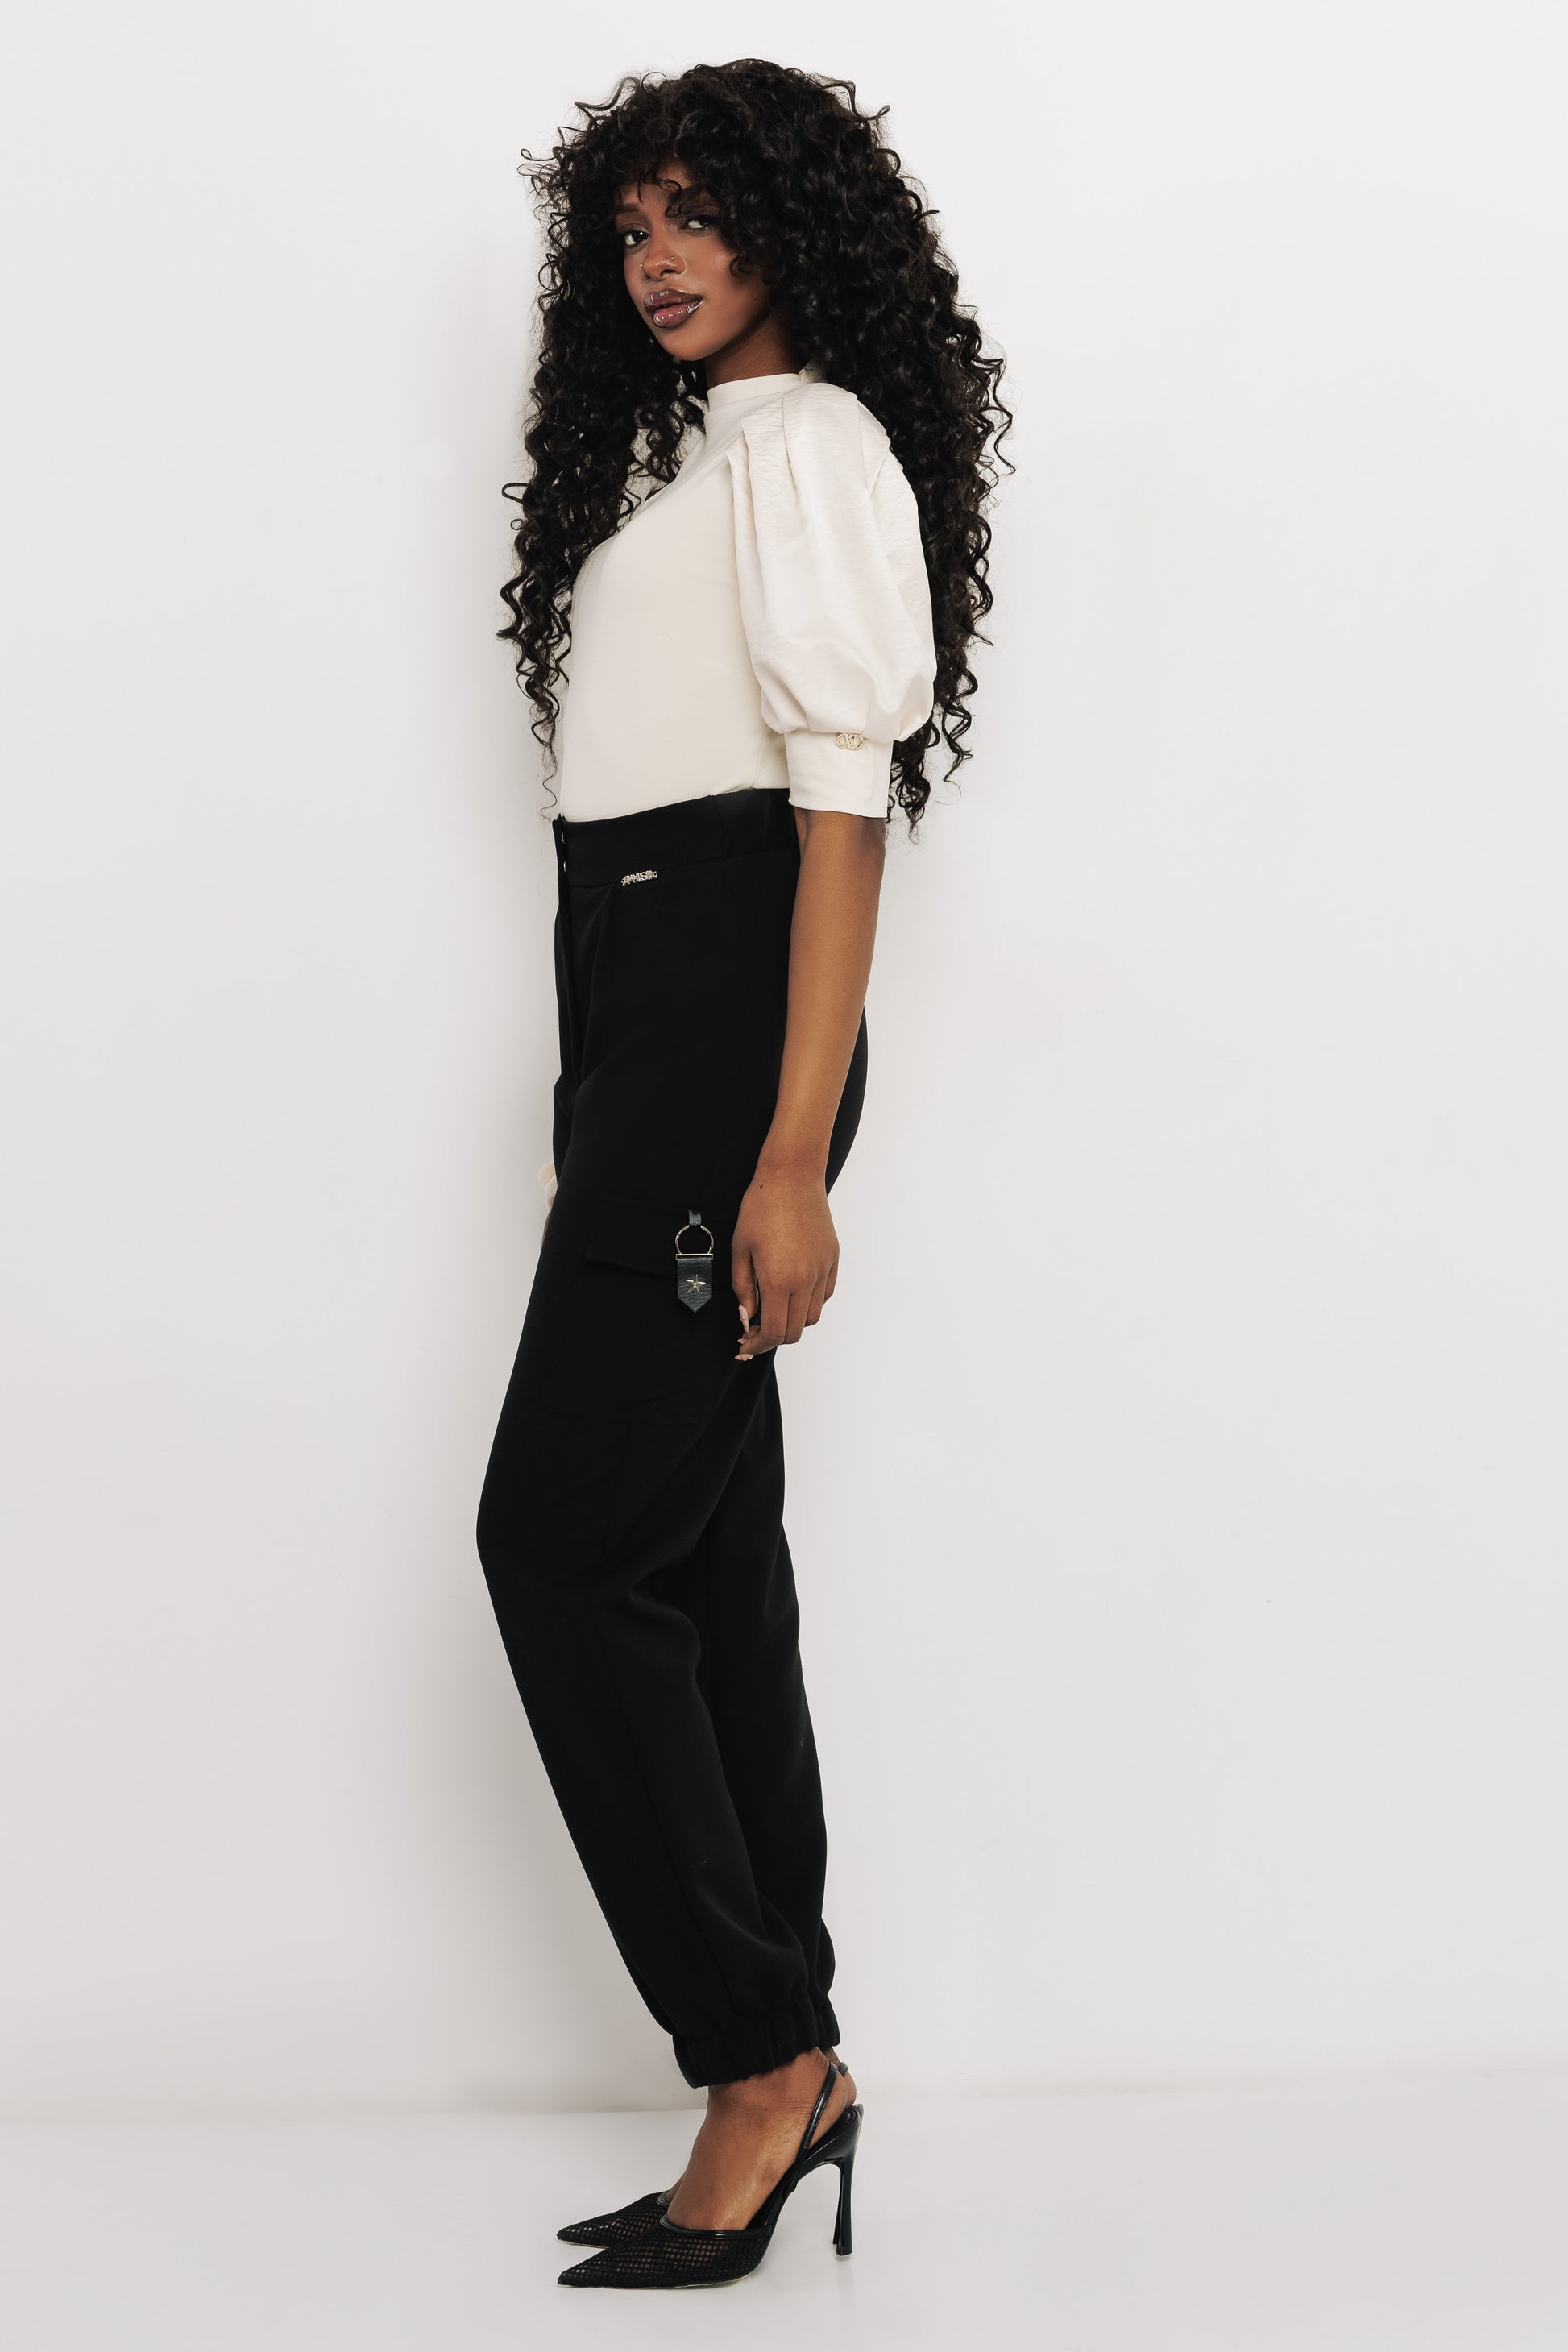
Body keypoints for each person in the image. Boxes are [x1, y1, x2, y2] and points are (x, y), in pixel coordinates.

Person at [475, 58, 1009, 2292]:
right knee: (693, 1566)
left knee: (554, 1542)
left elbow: (834, 818)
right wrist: (598, 1111)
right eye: (628, 228)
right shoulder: (707, 465)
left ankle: (756, 2061)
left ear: (797, 226)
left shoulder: (813, 454)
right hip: (651, 1034)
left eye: (699, 212)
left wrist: (786, 1154)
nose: (660, 257)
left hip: (723, 1042)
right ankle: (801, 2057)